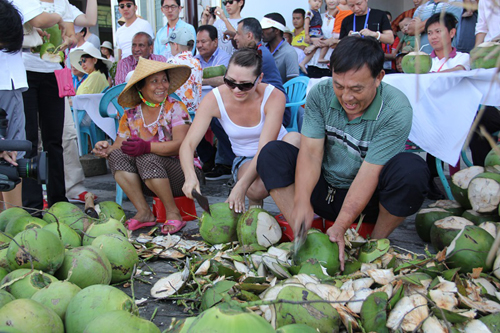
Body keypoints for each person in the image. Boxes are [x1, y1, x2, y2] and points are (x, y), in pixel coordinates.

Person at [257, 37, 429, 269]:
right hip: (325, 190)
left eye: (357, 89)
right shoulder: (321, 94)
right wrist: (302, 200)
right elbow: (310, 154)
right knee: (272, 153)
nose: (347, 97)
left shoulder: (395, 109)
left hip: (366, 201)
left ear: (379, 78)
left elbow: (369, 173)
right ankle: (304, 235)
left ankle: (374, 246)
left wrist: (341, 226)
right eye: (339, 85)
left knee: (412, 170)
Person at [180, 49, 300, 212]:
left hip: (276, 150)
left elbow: (265, 147)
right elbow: (188, 144)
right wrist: (190, 176)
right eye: (230, 82)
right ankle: (257, 210)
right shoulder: (214, 99)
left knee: (295, 139)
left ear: (260, 79)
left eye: (245, 85)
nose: (236, 90)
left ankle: (292, 209)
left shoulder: (273, 96)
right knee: (255, 189)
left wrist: (240, 187)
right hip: (245, 157)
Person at [93, 58, 201, 233]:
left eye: (164, 80)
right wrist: (105, 149)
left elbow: (181, 145)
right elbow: (119, 146)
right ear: (140, 87)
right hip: (147, 178)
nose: (162, 86)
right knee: (117, 156)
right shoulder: (130, 115)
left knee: (146, 157)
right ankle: (144, 212)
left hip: (183, 174)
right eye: (154, 81)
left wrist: (147, 147)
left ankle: (173, 213)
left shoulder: (175, 108)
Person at [0, 0, 62, 209]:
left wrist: (28, 31)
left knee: (13, 155)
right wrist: (60, 17)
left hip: (14, 83)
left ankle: (13, 218)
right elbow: (40, 18)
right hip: (10, 83)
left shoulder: (9, 17)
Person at [21, 0, 77, 212]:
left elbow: (70, 33)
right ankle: (32, 207)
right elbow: (38, 19)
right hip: (24, 70)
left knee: (54, 140)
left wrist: (68, 39)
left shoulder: (63, 2)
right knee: (29, 141)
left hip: (54, 73)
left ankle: (59, 202)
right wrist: (60, 19)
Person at [470, 0, 500, 166]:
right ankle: (484, 174)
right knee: (478, 118)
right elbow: (481, 28)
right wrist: (476, 56)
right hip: (490, 63)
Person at [166, 27, 202, 116]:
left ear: (176, 45)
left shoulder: (172, 62)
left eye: (170, 46)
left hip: (176, 115)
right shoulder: (197, 63)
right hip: (194, 115)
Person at [305, 0, 342, 78]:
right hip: (315, 60)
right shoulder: (319, 16)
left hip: (332, 60)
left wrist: (314, 46)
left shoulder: (343, 18)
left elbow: (339, 38)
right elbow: (308, 38)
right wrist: (313, 41)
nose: (331, 1)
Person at [261, 13, 300, 84]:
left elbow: (292, 84)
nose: (261, 32)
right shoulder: (262, 48)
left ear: (276, 31)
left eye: (265, 28)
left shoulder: (289, 53)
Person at [299, 0, 330, 74]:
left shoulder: (318, 12)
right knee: (325, 42)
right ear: (309, 2)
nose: (317, 3)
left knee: (314, 49)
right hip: (314, 31)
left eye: (319, 2)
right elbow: (306, 23)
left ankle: (303, 63)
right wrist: (307, 35)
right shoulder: (309, 12)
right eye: (315, 1)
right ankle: (320, 58)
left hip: (318, 31)